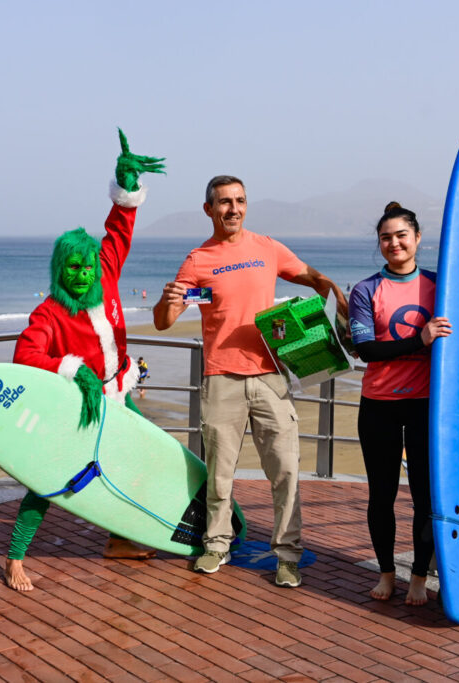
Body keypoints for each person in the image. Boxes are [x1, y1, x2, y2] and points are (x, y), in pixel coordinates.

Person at [153, 175, 347, 587]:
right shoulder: (197, 260)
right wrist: (167, 303)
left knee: (285, 471)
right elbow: (164, 321)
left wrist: (337, 302)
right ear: (209, 209)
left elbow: (311, 278)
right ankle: (216, 545)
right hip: (221, 378)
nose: (233, 209)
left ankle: (288, 555)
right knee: (220, 474)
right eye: (224, 202)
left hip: (270, 377)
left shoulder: (267, 248)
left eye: (240, 201)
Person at [3, 130, 165, 592]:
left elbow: (120, 228)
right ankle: (15, 557)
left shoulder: (109, 274)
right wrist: (74, 370)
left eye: (88, 265)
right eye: (73, 268)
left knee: (141, 458)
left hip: (119, 392)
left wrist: (125, 184)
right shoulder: (49, 311)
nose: (83, 274)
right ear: (60, 270)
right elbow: (25, 354)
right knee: (52, 477)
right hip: (80, 404)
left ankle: (120, 539)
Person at [349, 202, 451, 606]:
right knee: (382, 495)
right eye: (386, 238)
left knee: (426, 497)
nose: (394, 243)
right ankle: (387, 573)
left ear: (417, 238)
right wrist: (419, 340)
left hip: (427, 407)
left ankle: (419, 578)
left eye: (401, 236)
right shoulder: (366, 290)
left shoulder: (439, 285)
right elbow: (366, 349)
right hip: (379, 406)